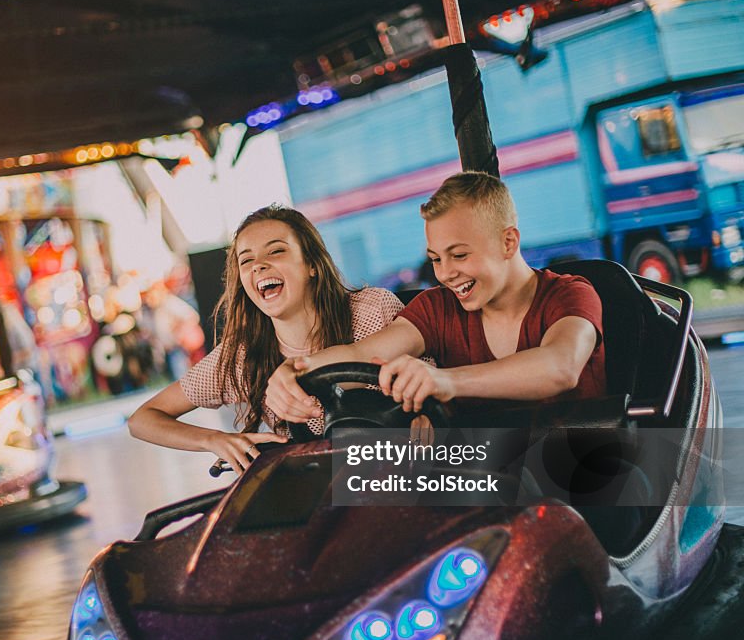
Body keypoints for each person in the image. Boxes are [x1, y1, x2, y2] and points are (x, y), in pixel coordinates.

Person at [266, 172, 606, 423]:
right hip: (487, 477)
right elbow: (362, 355)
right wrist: (294, 371)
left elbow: (560, 367)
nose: (445, 274)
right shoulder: (439, 308)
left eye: (459, 255)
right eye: (436, 259)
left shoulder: (569, 295)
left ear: (508, 243)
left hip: (581, 470)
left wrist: (445, 381)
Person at [127, 204, 404, 473]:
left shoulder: (372, 310)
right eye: (246, 260)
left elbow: (432, 385)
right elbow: (143, 419)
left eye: (276, 251)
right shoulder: (242, 355)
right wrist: (216, 440)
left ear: (312, 265)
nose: (258, 265)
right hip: (320, 489)